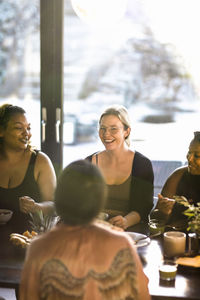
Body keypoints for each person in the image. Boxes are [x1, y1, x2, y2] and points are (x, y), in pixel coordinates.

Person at [19, 159, 150, 300]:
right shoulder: (121, 244)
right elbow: (142, 295)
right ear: (100, 201)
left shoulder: (39, 248)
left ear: (59, 198)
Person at [86, 104, 154, 230]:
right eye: (103, 128)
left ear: (126, 131)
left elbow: (144, 207)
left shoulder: (142, 164)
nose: (106, 134)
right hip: (94, 229)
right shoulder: (89, 163)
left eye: (113, 129)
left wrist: (126, 221)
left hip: (130, 230)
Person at [0, 104, 56, 231]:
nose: (27, 134)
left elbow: (55, 206)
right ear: (1, 131)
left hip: (30, 238)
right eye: (19, 128)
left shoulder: (40, 161)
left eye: (28, 128)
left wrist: (36, 207)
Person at [155, 131, 200, 225]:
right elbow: (154, 218)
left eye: (197, 155)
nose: (190, 159)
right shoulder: (178, 176)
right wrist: (164, 212)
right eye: (189, 152)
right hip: (174, 237)